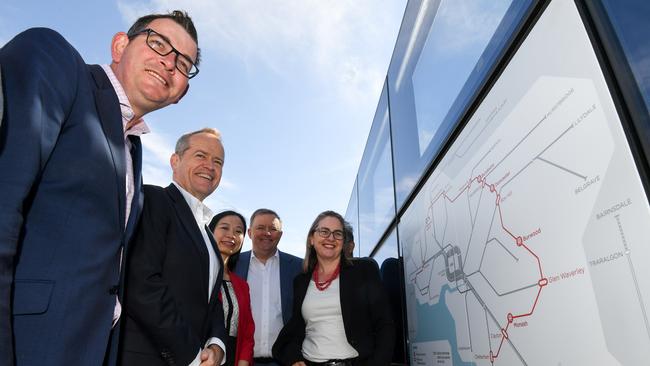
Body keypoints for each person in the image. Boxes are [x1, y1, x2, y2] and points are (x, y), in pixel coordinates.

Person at [0, 10, 199, 366]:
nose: (170, 63)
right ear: (120, 45)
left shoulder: (134, 150)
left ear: (180, 93)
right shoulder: (57, 63)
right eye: (158, 43)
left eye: (184, 63)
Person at [120, 128, 227, 366]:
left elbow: (211, 300)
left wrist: (217, 344)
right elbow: (141, 282)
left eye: (217, 161)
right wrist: (191, 353)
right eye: (200, 155)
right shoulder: (153, 200)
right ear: (175, 161)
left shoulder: (208, 235)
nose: (210, 166)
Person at [272, 211, 395, 366]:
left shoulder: (364, 270)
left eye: (338, 233)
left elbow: (385, 324)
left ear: (343, 241)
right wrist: (294, 358)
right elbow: (296, 330)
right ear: (311, 238)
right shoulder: (301, 281)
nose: (331, 238)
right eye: (324, 231)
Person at [234, 209, 303, 365]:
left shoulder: (299, 267)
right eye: (260, 228)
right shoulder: (233, 264)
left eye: (273, 229)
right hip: (241, 360)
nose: (267, 233)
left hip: (285, 361)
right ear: (250, 233)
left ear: (280, 235)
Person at [208, 211, 256, 366]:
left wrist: (242, 362)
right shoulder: (196, 274)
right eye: (224, 228)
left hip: (234, 359)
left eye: (238, 231)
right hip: (203, 356)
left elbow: (248, 332)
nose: (232, 235)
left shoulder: (242, 285)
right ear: (210, 231)